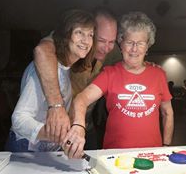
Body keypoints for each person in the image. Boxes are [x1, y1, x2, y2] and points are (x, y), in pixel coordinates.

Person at [69, 12, 174, 153]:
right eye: (129, 42)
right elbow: (81, 99)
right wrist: (79, 126)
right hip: (115, 155)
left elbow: (167, 113)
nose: (134, 49)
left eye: (141, 43)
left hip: (152, 154)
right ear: (121, 43)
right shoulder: (109, 73)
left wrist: (166, 146)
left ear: (147, 46)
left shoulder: (159, 74)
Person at [6, 10, 96, 155]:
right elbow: (18, 120)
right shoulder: (45, 69)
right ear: (66, 36)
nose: (86, 40)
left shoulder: (65, 68)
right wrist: (54, 134)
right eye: (79, 32)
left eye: (90, 34)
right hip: (25, 150)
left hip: (47, 151)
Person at [33, 7, 118, 150]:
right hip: (59, 126)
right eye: (101, 40)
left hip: (87, 124)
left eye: (112, 42)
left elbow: (130, 65)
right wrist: (56, 107)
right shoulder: (70, 43)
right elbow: (42, 51)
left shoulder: (112, 52)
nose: (106, 48)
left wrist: (149, 66)